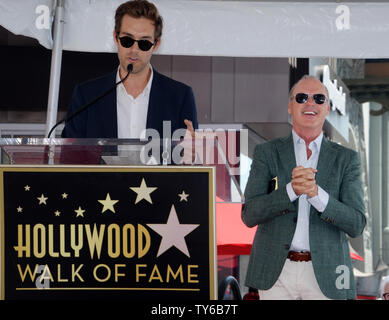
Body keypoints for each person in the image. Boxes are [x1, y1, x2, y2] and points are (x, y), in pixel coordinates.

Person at [242, 75, 366, 300]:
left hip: (329, 273)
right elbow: (250, 214)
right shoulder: (267, 152)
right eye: (302, 98)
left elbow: (356, 224)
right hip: (275, 272)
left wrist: (317, 195)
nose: (311, 103)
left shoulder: (347, 159)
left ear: (328, 108)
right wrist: (291, 190)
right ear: (290, 106)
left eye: (319, 98)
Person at [61, 0, 197, 140]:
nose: (134, 50)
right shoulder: (86, 96)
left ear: (156, 45)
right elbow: (69, 156)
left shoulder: (180, 97)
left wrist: (191, 156)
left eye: (144, 43)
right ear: (116, 37)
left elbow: (188, 154)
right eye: (127, 40)